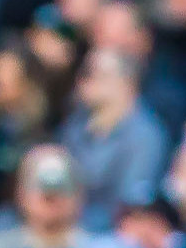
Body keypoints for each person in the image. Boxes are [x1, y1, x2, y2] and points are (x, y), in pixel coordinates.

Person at [61, 50, 169, 227]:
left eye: (96, 73)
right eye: (85, 72)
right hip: (65, 226)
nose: (85, 80)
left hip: (112, 233)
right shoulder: (76, 126)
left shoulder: (145, 136)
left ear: (127, 83)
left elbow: (129, 205)